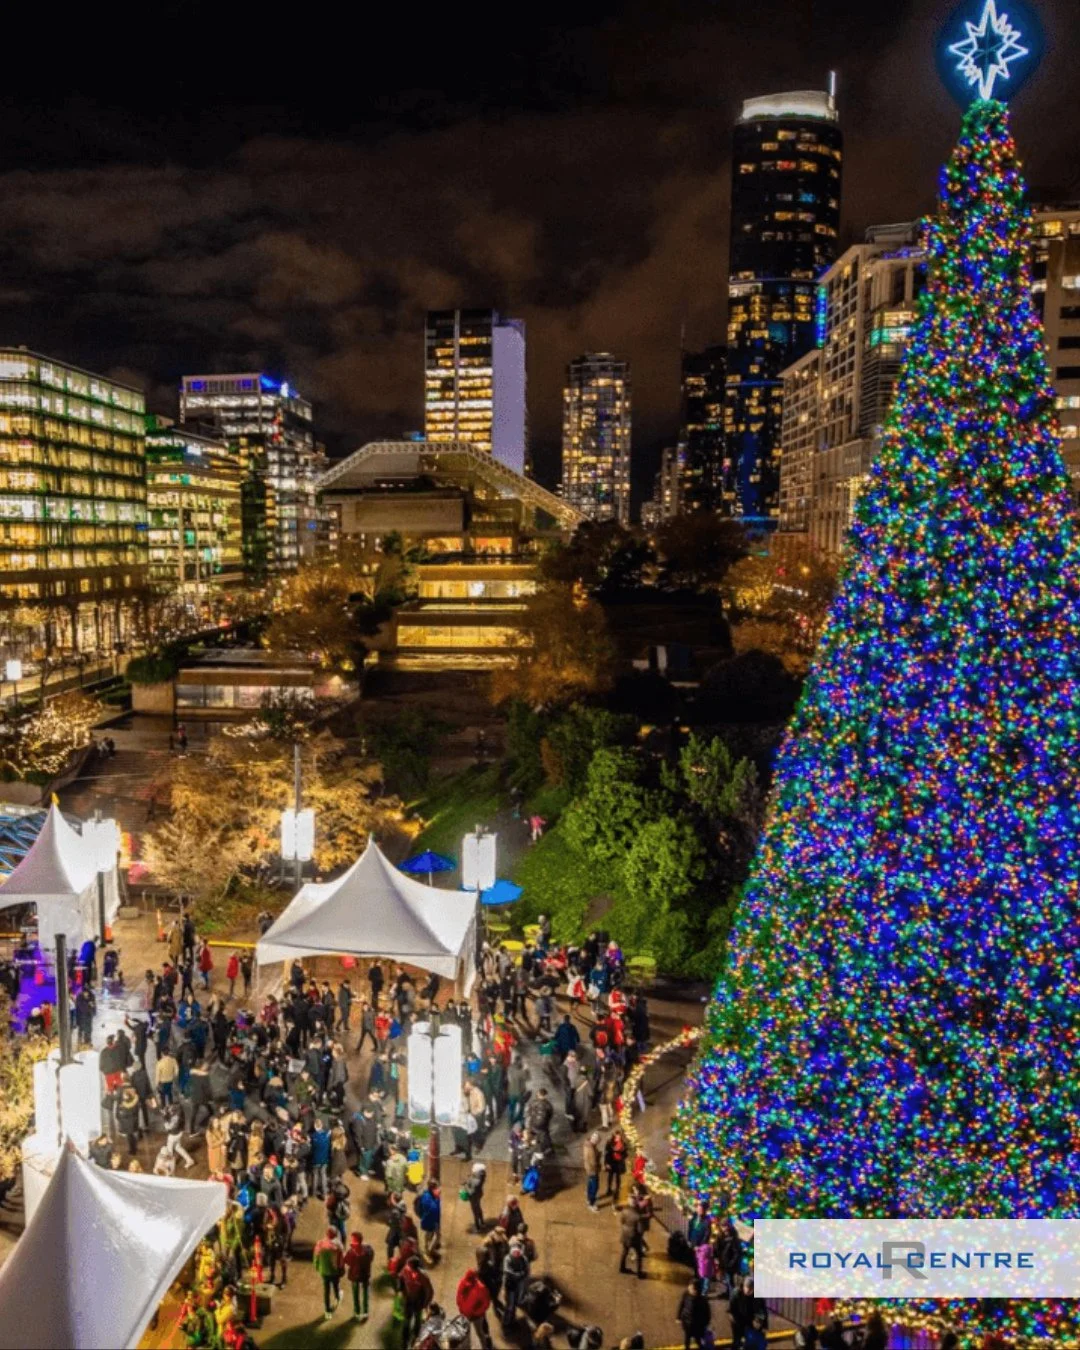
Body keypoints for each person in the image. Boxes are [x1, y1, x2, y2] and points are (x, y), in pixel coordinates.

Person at [456, 1266, 494, 1350]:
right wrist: (461, 1307)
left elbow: (485, 1303)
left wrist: (475, 1312)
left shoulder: (480, 1288)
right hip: (468, 1314)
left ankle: (484, 1347)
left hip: (474, 1315)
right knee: (470, 1334)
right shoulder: (466, 1283)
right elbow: (459, 1295)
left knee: (478, 1333)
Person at [313, 1227, 344, 1320]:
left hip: (324, 1271)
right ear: (335, 1235)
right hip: (334, 1271)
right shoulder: (338, 1245)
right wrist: (341, 1269)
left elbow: (316, 1257)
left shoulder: (320, 1244)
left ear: (327, 1234)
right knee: (335, 1285)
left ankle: (327, 1311)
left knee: (326, 1291)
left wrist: (317, 1267)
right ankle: (338, 1297)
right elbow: (341, 1259)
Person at [342, 1230, 373, 1322]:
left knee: (356, 1295)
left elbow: (346, 1261)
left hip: (355, 1276)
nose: (351, 1241)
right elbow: (371, 1257)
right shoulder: (368, 1249)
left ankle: (357, 1312)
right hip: (365, 1275)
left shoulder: (352, 1252)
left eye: (352, 1239)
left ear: (356, 1241)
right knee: (365, 1294)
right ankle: (365, 1312)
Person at [730, 1277, 767, 1350]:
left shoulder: (758, 1297)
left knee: (754, 1342)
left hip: (752, 1321)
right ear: (743, 1286)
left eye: (750, 1289)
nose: (747, 1291)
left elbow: (762, 1311)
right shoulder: (736, 1293)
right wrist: (734, 1318)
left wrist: (760, 1321)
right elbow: (732, 1309)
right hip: (739, 1320)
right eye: (746, 1288)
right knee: (737, 1341)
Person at [676, 1278, 711, 1350]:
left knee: (698, 1340)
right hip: (687, 1323)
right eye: (689, 1286)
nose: (689, 1288)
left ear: (696, 1290)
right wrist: (678, 1317)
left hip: (697, 1326)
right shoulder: (686, 1294)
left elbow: (707, 1314)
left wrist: (704, 1324)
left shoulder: (702, 1300)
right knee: (687, 1339)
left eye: (691, 1287)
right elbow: (681, 1304)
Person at [416, 1179, 441, 1259]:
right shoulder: (427, 1197)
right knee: (433, 1235)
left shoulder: (429, 1195)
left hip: (433, 1220)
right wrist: (437, 1198)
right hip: (429, 1220)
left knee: (432, 1235)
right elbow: (433, 1209)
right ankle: (429, 1250)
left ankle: (428, 1248)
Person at [619, 1205, 645, 1278]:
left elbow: (622, 1221)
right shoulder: (638, 1216)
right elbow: (640, 1230)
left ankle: (622, 1268)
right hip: (634, 1237)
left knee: (624, 1251)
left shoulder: (624, 1211)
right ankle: (639, 1273)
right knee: (639, 1254)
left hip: (625, 1234)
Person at [604, 1128, 628, 1206]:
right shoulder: (609, 1143)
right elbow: (606, 1154)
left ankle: (617, 1189)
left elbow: (625, 1154)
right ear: (614, 1136)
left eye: (619, 1137)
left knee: (618, 1177)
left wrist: (622, 1155)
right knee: (610, 1176)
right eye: (617, 1136)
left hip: (619, 1162)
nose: (618, 1138)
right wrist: (606, 1163)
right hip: (611, 1162)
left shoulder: (623, 1144)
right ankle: (609, 1189)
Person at [465, 1161, 487, 1233]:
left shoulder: (476, 1181)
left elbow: (471, 1192)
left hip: (474, 1197)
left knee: (475, 1211)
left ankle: (477, 1227)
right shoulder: (481, 1176)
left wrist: (466, 1186)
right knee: (479, 1208)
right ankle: (482, 1222)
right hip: (479, 1194)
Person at [583, 1131, 602, 1211]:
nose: (597, 1142)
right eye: (597, 1141)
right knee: (595, 1186)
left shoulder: (587, 1145)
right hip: (593, 1170)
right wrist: (600, 1166)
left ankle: (588, 1198)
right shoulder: (591, 1149)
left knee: (590, 1183)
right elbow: (594, 1162)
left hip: (588, 1169)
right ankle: (591, 1203)